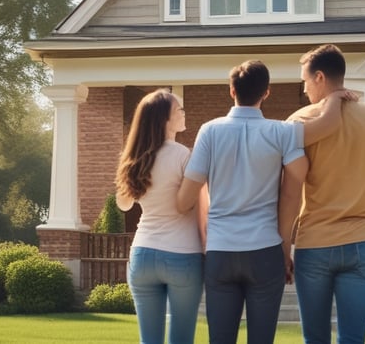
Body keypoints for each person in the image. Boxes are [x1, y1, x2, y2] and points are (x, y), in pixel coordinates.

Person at [176, 60, 351, 344]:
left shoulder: (209, 131)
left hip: (221, 252)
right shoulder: (281, 132)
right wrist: (334, 96)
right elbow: (328, 125)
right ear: (266, 92)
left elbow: (185, 200)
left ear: (232, 90)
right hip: (264, 251)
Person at [287, 44, 365, 344]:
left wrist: (282, 244)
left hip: (313, 243)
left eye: (305, 81)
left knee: (314, 339)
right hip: (362, 243)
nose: (304, 90)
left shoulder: (299, 122)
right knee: (353, 339)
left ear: (319, 77)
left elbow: (287, 191)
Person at [114, 89, 204, 344]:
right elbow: (193, 205)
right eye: (180, 110)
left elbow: (123, 204)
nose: (184, 114)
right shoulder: (184, 155)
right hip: (182, 256)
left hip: (143, 254)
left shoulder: (132, 159)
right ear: (164, 119)